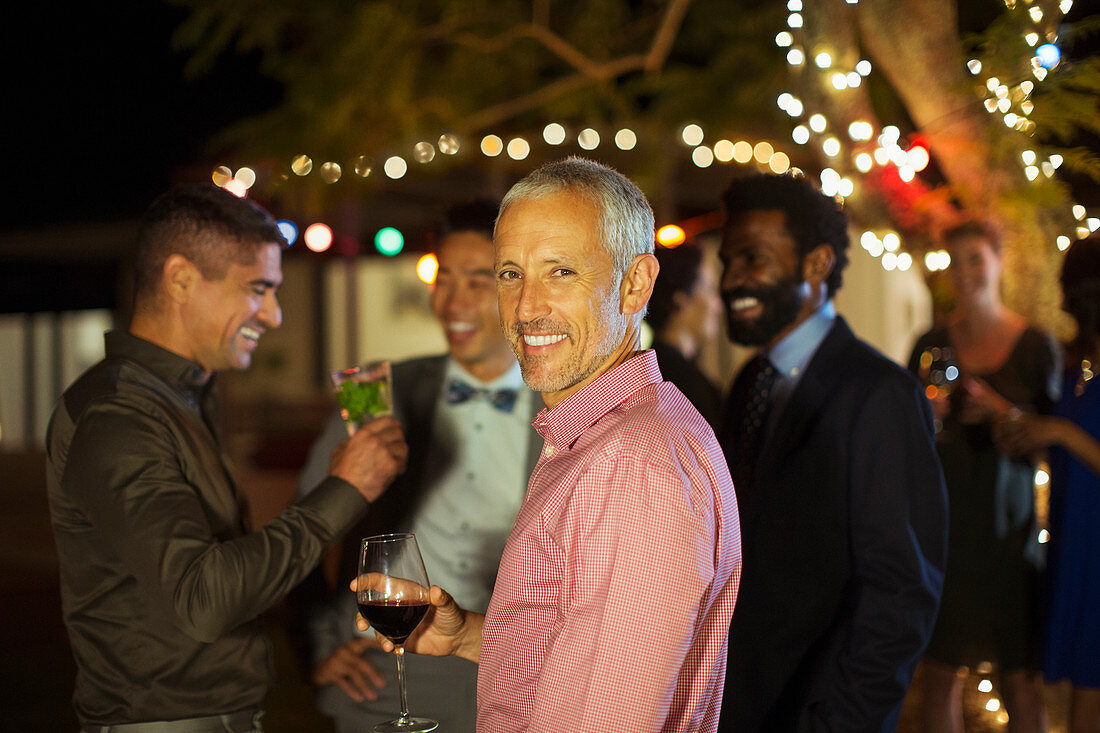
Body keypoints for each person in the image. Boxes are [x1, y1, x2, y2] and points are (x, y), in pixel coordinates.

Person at [356, 156, 742, 733]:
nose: (527, 307)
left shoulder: (634, 465)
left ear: (635, 284)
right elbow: (583, 660)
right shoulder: (605, 435)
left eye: (561, 272)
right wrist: (468, 635)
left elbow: (611, 718)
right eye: (510, 273)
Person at [45, 183, 408, 732]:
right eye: (258, 288)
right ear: (181, 279)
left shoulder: (184, 395)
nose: (275, 314)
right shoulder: (120, 414)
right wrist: (347, 487)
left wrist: (309, 650)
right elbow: (203, 598)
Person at [294, 199, 542, 731]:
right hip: (381, 670)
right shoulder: (374, 390)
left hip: (499, 669)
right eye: (442, 277)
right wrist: (319, 645)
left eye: (478, 281)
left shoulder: (565, 409)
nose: (453, 301)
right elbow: (304, 523)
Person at [714, 172, 948, 732]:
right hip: (737, 702)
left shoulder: (879, 394)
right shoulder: (751, 381)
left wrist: (841, 722)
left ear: (817, 265)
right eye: (728, 260)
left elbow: (901, 591)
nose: (731, 279)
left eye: (754, 258)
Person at [907, 221, 1058, 733]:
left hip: (1011, 538)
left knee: (1020, 681)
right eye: (956, 260)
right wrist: (925, 417)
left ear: (998, 261)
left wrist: (1000, 412)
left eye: (976, 258)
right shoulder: (930, 344)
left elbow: (1055, 443)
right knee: (939, 677)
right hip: (945, 532)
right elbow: (907, 442)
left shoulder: (1036, 348)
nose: (966, 272)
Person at [995, 232, 1100, 733]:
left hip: (1098, 544)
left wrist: (1059, 431)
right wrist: (1022, 426)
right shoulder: (1077, 361)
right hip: (1074, 535)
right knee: (1083, 687)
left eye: (1068, 286)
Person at [646, 240, 724, 428]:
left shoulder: (648, 370)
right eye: (710, 291)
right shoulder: (684, 385)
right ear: (680, 299)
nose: (718, 306)